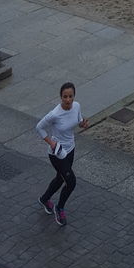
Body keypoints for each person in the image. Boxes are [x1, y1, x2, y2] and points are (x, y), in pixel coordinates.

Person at [35, 81, 89, 226]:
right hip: (57, 153)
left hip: (70, 149)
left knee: (60, 178)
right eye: (65, 96)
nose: (68, 100)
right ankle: (59, 208)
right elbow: (39, 127)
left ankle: (44, 199)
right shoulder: (55, 114)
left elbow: (78, 120)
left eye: (70, 96)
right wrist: (51, 143)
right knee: (71, 182)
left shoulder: (77, 106)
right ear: (61, 97)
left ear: (74, 96)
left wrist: (82, 124)